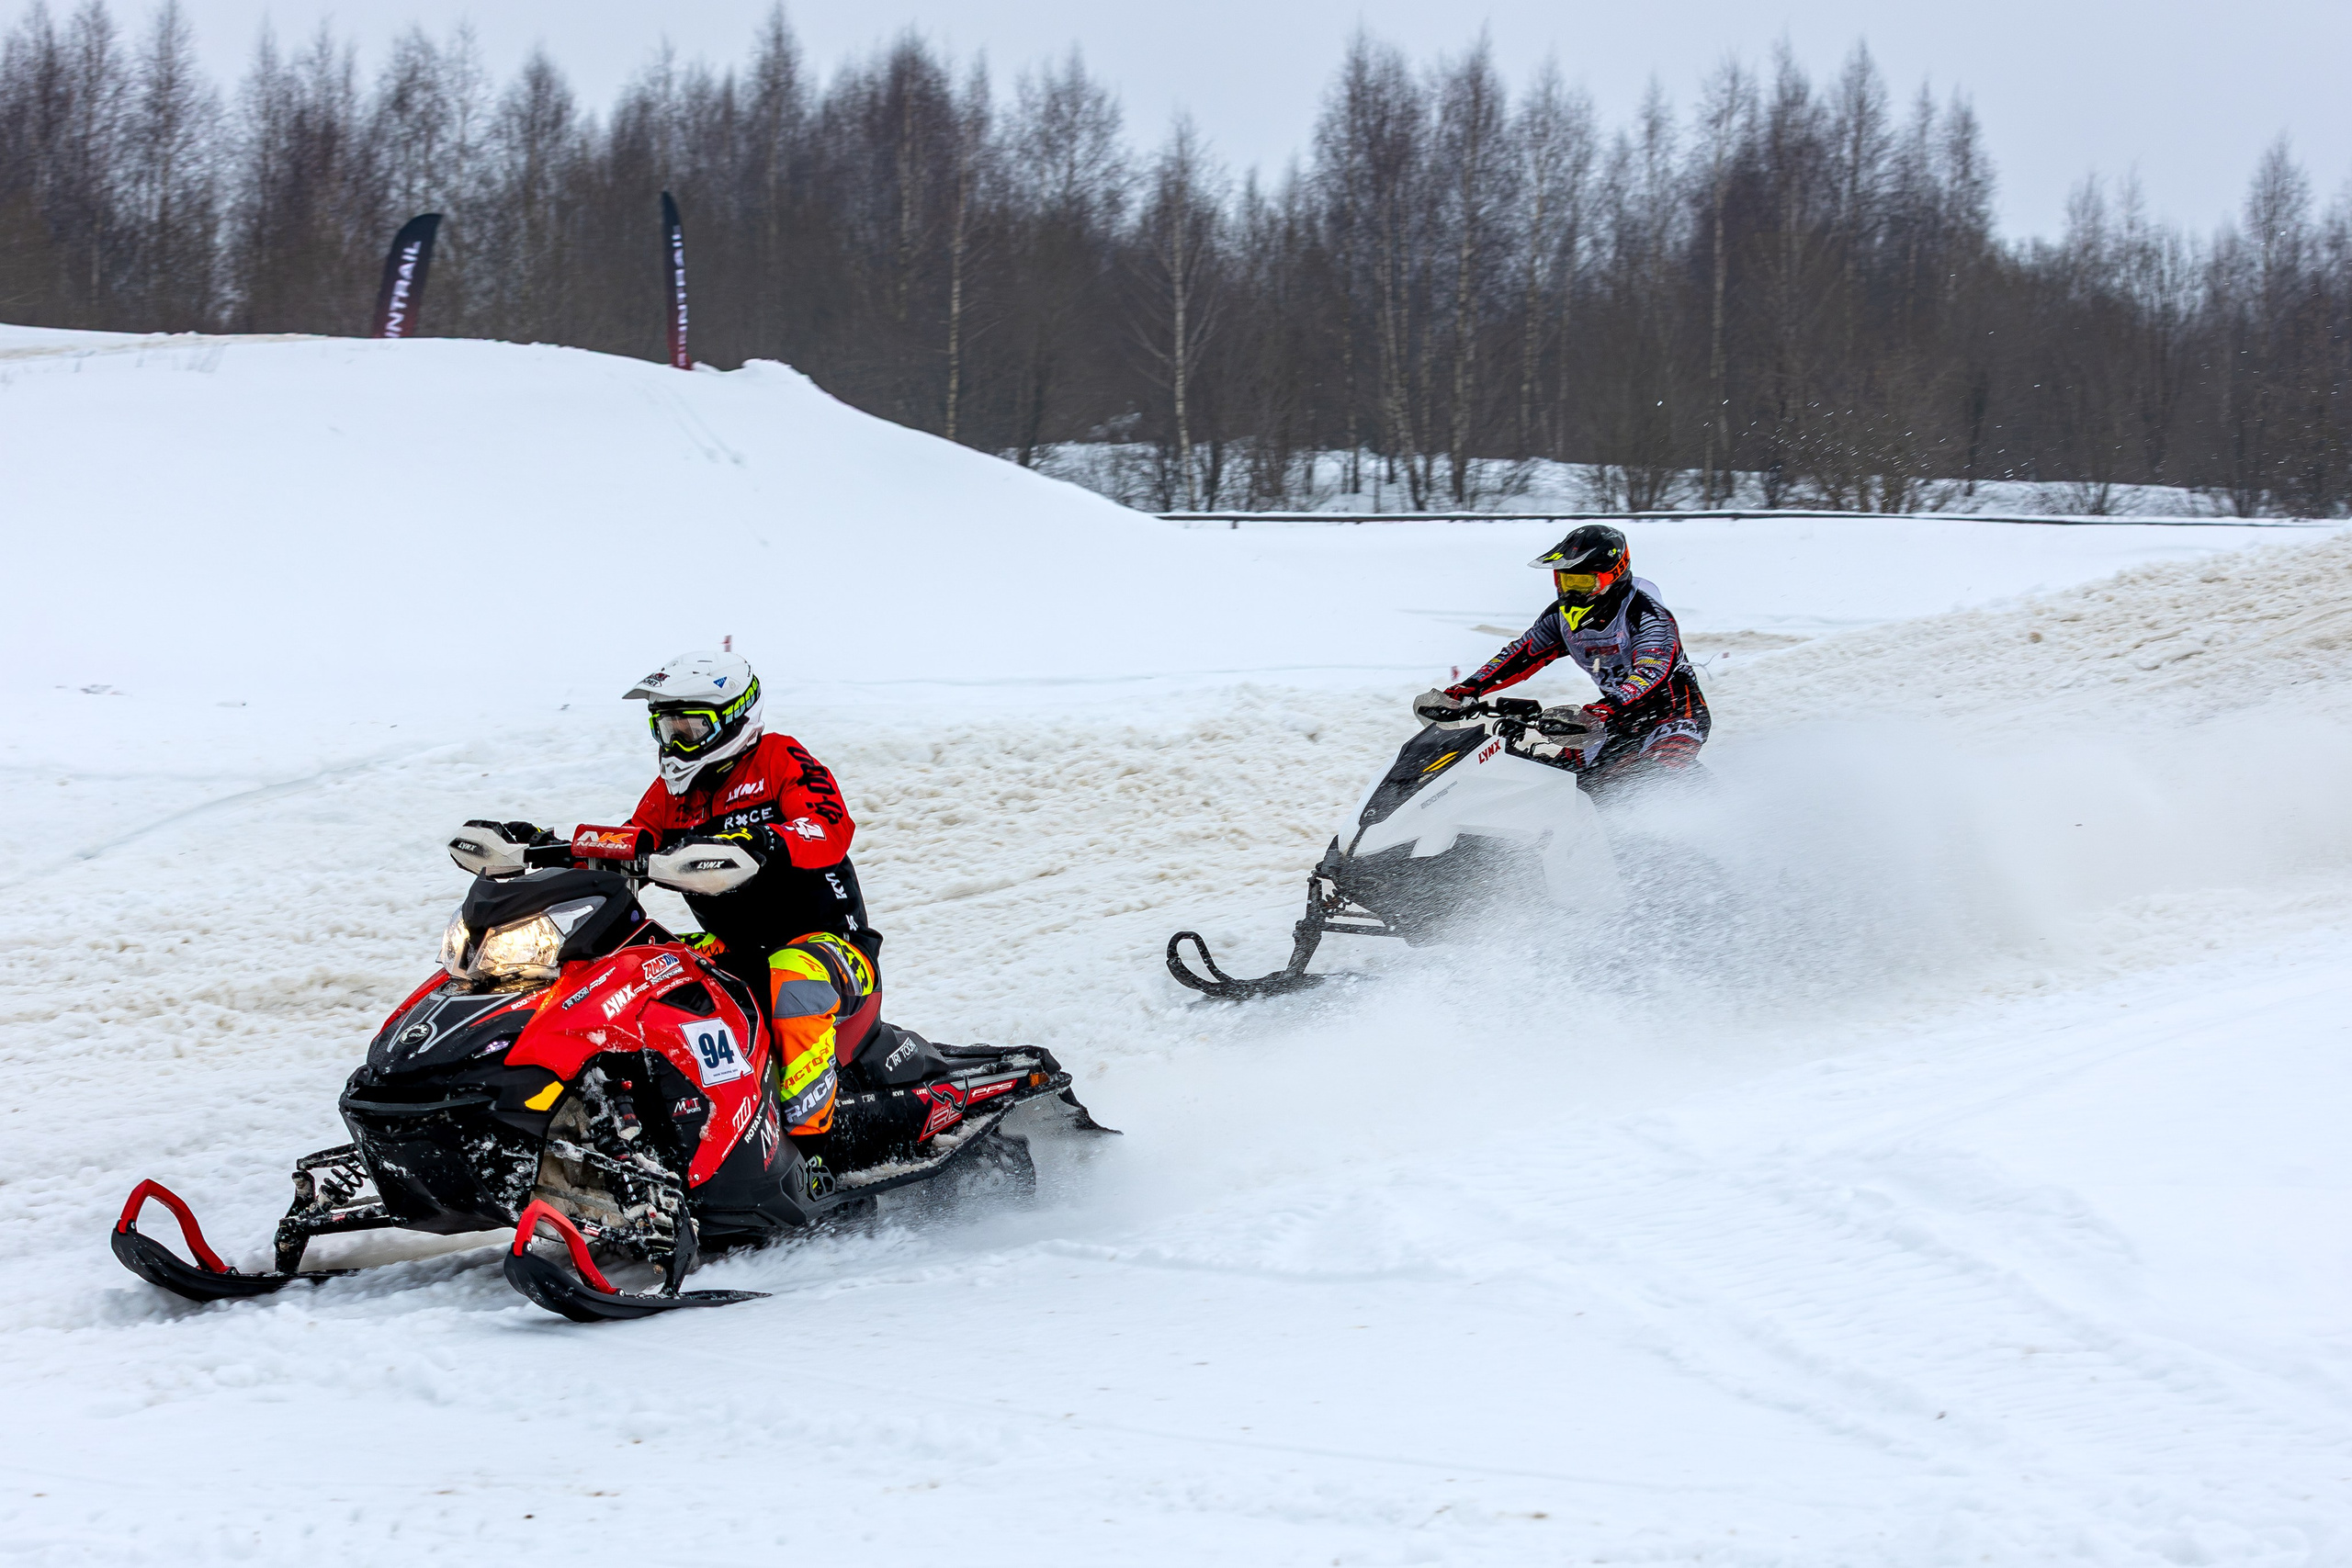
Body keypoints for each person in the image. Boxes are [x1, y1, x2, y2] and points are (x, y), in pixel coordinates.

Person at [618, 650, 880, 1156]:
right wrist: (561, 850)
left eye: (689, 728)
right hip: (733, 945)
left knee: (792, 977)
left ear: (734, 718)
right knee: (638, 965)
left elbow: (831, 824)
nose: (675, 742)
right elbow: (633, 843)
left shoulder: (779, 758)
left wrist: (770, 840)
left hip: (830, 946)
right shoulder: (670, 795)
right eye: (665, 727)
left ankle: (812, 1147)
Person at [1414, 525, 1710, 799]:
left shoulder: (1646, 614)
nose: (1572, 592)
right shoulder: (1560, 618)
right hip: (1615, 717)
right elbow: (1520, 654)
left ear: (1614, 575)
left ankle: (1687, 839)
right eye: (1566, 580)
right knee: (1561, 784)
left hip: (1674, 714)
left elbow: (1651, 670)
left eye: (1583, 582)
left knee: (1649, 787)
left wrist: (1602, 711)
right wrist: (1468, 689)